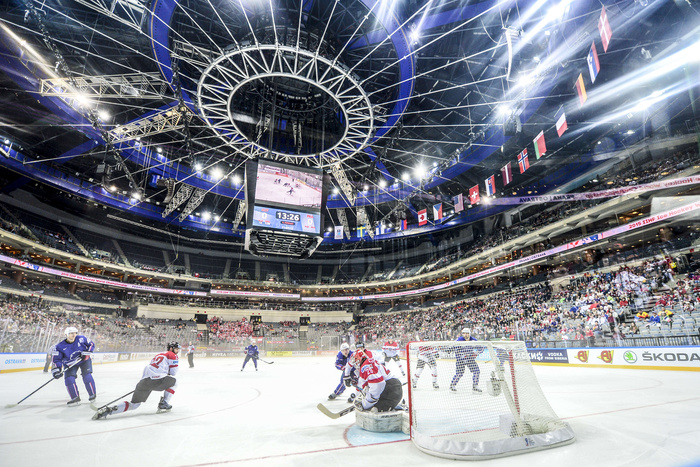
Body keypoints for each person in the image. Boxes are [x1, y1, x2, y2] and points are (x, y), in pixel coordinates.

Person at [92, 342, 180, 420]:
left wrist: (145, 385)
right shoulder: (172, 355)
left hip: (144, 382)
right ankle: (164, 404)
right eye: (176, 349)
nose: (178, 351)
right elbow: (174, 372)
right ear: (171, 348)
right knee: (174, 382)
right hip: (159, 380)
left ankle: (109, 410)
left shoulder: (159, 355)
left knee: (134, 405)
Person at [344, 348, 402, 412]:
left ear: (358, 360)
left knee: (372, 410)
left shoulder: (365, 367)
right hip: (392, 388)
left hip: (390, 392)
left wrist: (366, 403)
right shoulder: (368, 362)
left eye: (355, 362)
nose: (355, 365)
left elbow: (378, 384)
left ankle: (390, 406)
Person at [51, 326, 97, 406]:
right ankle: (75, 398)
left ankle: (92, 394)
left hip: (84, 360)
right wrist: (57, 370)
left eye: (75, 333)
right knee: (69, 379)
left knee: (87, 376)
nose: (74, 335)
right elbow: (57, 359)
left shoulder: (81, 338)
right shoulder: (60, 346)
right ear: (66, 334)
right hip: (70, 364)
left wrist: (86, 353)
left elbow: (91, 344)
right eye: (71, 333)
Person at [450, 328, 483, 393]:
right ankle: (452, 385)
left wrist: (475, 353)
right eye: (464, 333)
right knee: (459, 373)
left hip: (470, 359)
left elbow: (481, 348)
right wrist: (461, 354)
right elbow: (454, 348)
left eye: (467, 333)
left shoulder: (473, 340)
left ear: (469, 334)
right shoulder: (459, 340)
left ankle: (475, 386)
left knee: (476, 371)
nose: (465, 335)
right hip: (460, 360)